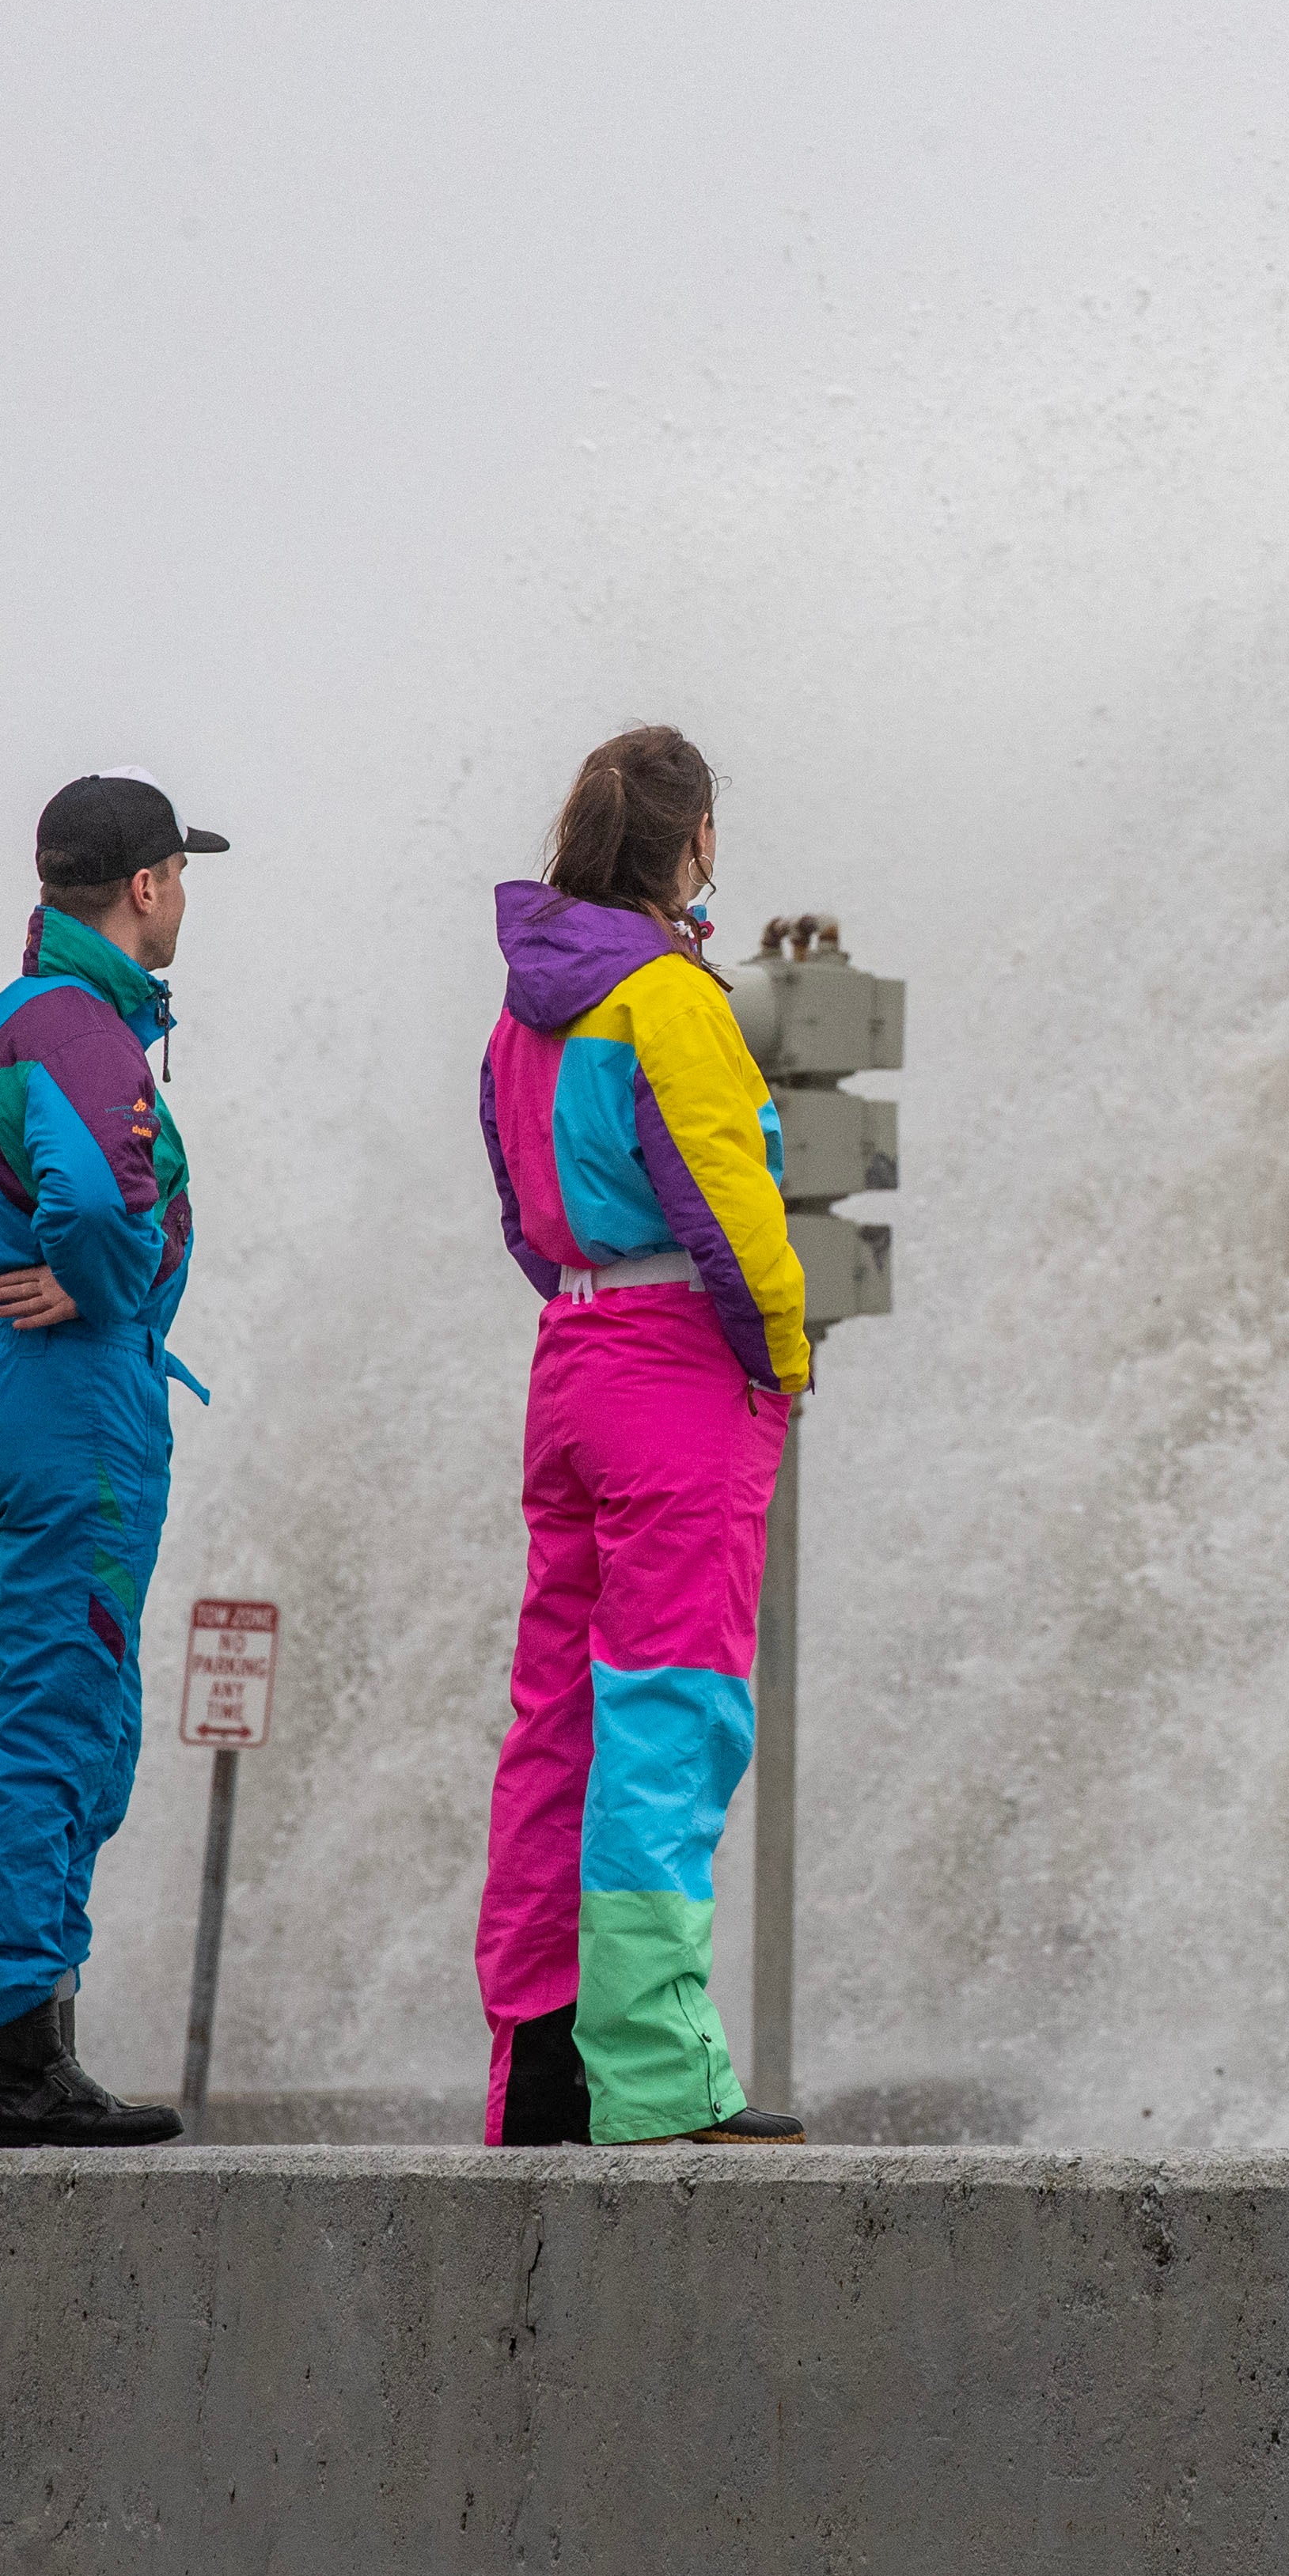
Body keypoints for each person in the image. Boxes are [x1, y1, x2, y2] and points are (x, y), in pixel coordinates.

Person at [473, 725, 813, 2145]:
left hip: (572, 1357)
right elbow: (736, 1221)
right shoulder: (668, 1000)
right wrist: (780, 1365)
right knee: (667, 1720)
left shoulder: (524, 1012)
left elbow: (515, 1203)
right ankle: (660, 2078)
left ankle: (538, 2071)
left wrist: (590, 1310)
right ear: (695, 847)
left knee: (555, 1724)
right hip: (677, 1379)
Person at [0, 768, 227, 2147]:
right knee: (60, 1709)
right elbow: (93, 1198)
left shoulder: (1, 1023)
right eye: (181, 874)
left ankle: (36, 2038)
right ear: (144, 887)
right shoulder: (84, 1029)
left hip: (5, 1396)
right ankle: (15, 2062)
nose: (187, 895)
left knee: (74, 1697)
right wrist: (91, 1285)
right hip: (73, 1398)